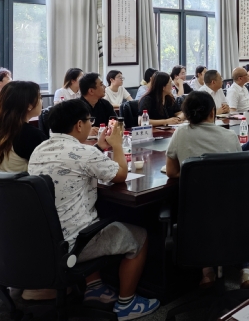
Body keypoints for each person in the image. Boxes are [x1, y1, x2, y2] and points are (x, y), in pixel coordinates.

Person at [27, 100, 160, 319]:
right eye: (90, 121)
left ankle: (95, 287)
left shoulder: (39, 149)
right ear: (79, 125)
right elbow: (120, 175)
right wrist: (117, 145)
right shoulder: (83, 152)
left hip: (43, 238)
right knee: (139, 237)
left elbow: (77, 163)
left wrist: (100, 147)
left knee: (90, 215)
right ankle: (127, 303)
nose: (92, 125)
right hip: (73, 242)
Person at [164, 91, 249, 289]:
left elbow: (171, 172)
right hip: (232, 209)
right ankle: (245, 271)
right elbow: (240, 171)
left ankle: (207, 272)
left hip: (196, 213)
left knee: (203, 214)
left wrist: (193, 171)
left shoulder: (181, 134)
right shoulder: (230, 136)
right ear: (213, 112)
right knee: (230, 212)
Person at [0, 81, 45, 173]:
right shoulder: (30, 135)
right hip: (19, 181)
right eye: (39, 97)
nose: (41, 101)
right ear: (29, 106)